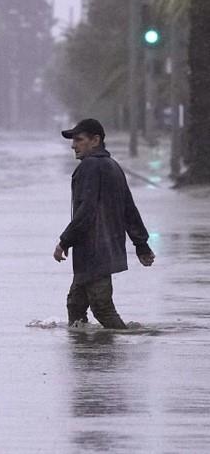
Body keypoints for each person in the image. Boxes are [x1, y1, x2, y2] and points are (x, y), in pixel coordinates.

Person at [53, 118, 155, 329]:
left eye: (79, 140)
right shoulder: (113, 166)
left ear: (95, 140)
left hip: (94, 251)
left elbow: (86, 211)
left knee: (102, 307)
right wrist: (141, 245)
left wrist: (64, 241)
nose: (73, 145)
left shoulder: (90, 166)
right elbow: (129, 209)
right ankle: (87, 352)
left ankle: (114, 354)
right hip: (105, 249)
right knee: (75, 304)